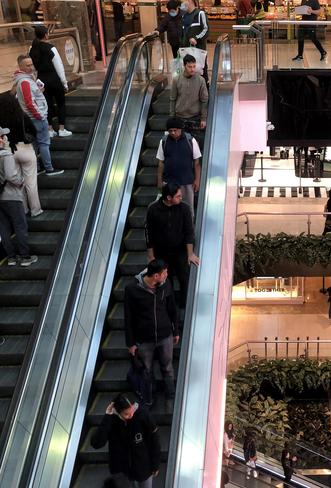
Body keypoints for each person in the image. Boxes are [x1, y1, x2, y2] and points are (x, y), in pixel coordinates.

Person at [124, 260, 179, 410]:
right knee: (146, 371)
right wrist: (131, 343)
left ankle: (171, 395)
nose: (167, 275)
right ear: (156, 276)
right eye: (164, 273)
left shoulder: (165, 285)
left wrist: (175, 330)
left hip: (165, 336)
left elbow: (172, 308)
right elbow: (128, 317)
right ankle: (149, 397)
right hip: (144, 339)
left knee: (167, 367)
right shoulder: (132, 290)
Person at [146, 182, 200, 309]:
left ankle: (185, 306)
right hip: (162, 252)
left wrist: (190, 254)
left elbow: (189, 232)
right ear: (169, 198)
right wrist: (151, 256)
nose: (181, 198)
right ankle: (168, 305)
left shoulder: (184, 209)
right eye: (178, 196)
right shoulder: (153, 210)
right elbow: (149, 234)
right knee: (165, 280)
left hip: (180, 250)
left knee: (184, 277)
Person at [90, 394, 161, 487]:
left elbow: (154, 440)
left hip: (143, 466)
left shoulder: (142, 415)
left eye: (131, 411)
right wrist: (107, 417)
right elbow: (97, 443)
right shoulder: (111, 420)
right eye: (126, 414)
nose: (131, 415)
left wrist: (155, 463)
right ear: (118, 412)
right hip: (121, 470)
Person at [14, 55, 64, 176]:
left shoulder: (25, 79)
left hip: (33, 118)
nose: (31, 67)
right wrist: (40, 116)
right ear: (21, 66)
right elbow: (29, 102)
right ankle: (49, 168)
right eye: (28, 65)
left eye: (31, 64)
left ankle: (37, 168)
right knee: (44, 143)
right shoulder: (25, 81)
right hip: (36, 118)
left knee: (36, 144)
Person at [0, 130, 38, 267]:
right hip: (11, 196)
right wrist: (21, 181)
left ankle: (11, 257)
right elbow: (11, 176)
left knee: (3, 228)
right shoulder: (7, 155)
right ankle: (25, 256)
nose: (6, 138)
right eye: (4, 136)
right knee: (20, 226)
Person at [29, 25, 71, 138]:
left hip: (41, 79)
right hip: (54, 79)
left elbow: (32, 67)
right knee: (61, 103)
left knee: (47, 104)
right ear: (46, 34)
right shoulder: (51, 48)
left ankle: (50, 129)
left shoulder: (32, 49)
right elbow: (59, 66)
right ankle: (62, 129)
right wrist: (64, 82)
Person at [156, 117, 202, 217]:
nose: (172, 132)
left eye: (175, 130)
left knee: (188, 211)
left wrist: (197, 180)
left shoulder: (190, 140)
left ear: (180, 129)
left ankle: (188, 230)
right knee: (170, 212)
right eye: (170, 131)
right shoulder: (164, 142)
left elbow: (197, 162)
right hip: (169, 183)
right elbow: (161, 163)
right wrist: (160, 181)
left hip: (187, 183)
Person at [170, 54, 208, 132]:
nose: (192, 69)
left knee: (194, 143)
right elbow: (172, 99)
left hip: (195, 117)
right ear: (184, 66)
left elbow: (204, 100)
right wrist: (172, 117)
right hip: (179, 117)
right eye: (189, 67)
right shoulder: (176, 80)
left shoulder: (201, 80)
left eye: (194, 66)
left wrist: (203, 118)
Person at [181, 0, 210, 83]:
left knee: (201, 70)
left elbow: (206, 29)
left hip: (199, 49)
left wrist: (196, 38)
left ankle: (205, 92)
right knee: (188, 71)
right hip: (186, 49)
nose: (182, 3)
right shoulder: (184, 16)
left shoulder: (200, 14)